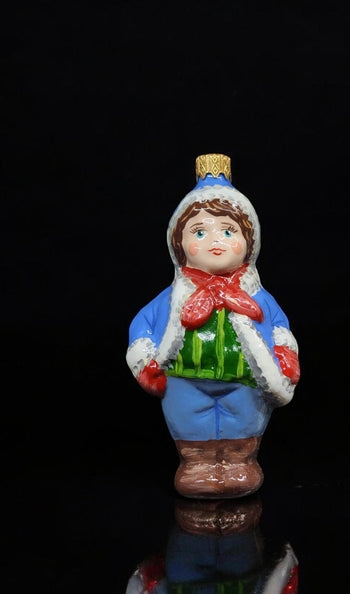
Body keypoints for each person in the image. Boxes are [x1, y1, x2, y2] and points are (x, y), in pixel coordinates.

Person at [126, 153, 300, 498]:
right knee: (190, 421)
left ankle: (240, 463)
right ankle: (196, 465)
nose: (214, 241)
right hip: (184, 378)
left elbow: (280, 328)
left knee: (242, 421)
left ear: (249, 244)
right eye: (200, 231)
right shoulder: (170, 298)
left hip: (245, 379)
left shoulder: (258, 297)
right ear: (179, 244)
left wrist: (285, 353)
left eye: (228, 231)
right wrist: (143, 359)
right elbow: (141, 326)